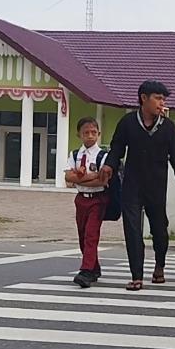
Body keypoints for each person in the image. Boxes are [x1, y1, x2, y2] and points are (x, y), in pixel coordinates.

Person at [103, 80, 175, 291]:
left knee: (159, 229)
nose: (161, 103)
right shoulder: (127, 123)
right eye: (158, 98)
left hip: (156, 186)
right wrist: (109, 165)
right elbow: (117, 149)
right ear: (143, 98)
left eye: (163, 99)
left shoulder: (168, 128)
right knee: (132, 230)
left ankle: (159, 266)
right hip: (132, 185)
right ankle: (137, 275)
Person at [65, 117, 110, 288]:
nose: (90, 136)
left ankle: (86, 271)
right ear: (79, 135)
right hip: (81, 199)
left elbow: (102, 180)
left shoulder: (102, 156)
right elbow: (68, 176)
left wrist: (80, 179)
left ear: (98, 134)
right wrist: (83, 179)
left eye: (93, 132)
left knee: (92, 234)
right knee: (83, 235)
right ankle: (94, 267)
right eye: (86, 133)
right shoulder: (75, 154)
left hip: (97, 199)